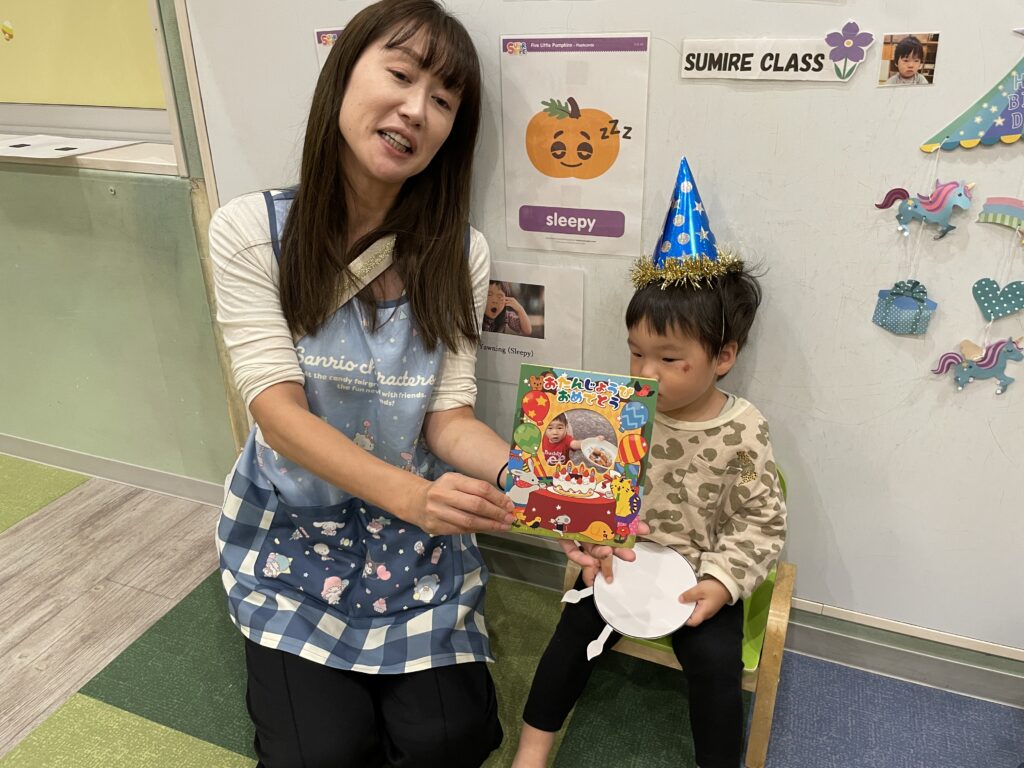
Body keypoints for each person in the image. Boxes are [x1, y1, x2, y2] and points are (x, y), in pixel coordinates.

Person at [209, 3, 521, 765]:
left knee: (451, 740)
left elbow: (448, 421)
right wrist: (415, 495)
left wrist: (541, 487)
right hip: (292, 534)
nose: (416, 109)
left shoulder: (459, 252)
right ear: (343, 75)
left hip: (415, 543)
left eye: (442, 100)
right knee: (322, 753)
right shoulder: (250, 231)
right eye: (400, 75)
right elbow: (278, 416)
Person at [512, 158, 787, 768]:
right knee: (569, 634)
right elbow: (587, 482)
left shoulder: (743, 429)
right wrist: (579, 517)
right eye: (636, 353)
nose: (645, 372)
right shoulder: (621, 410)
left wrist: (721, 582)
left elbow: (760, 521)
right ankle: (530, 752)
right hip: (622, 557)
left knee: (715, 666)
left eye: (668, 359)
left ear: (723, 357)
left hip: (700, 572)